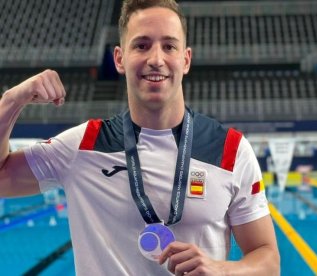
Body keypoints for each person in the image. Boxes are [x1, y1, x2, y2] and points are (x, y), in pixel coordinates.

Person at [0, 0, 280, 275]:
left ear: (186, 60)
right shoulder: (84, 145)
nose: (156, 59)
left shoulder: (230, 150)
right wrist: (11, 101)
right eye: (142, 45)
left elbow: (267, 259)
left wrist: (222, 270)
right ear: (120, 59)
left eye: (169, 46)